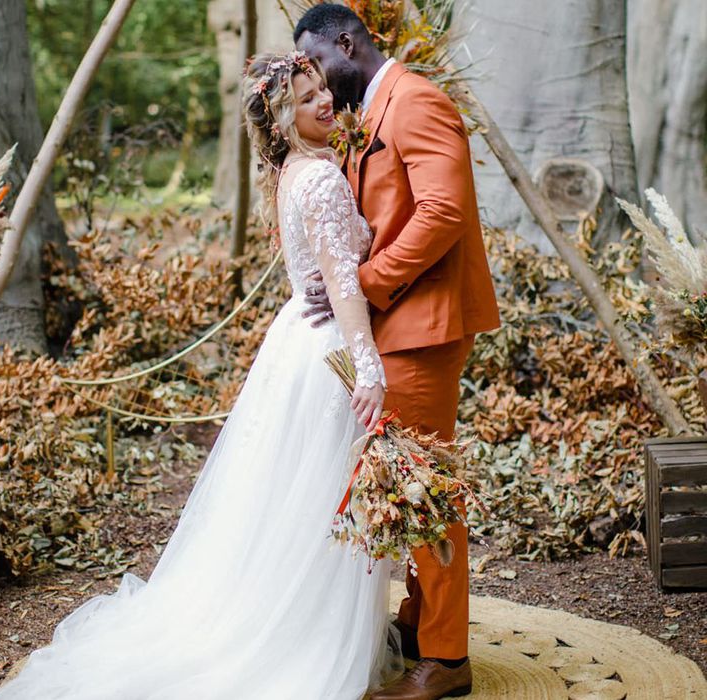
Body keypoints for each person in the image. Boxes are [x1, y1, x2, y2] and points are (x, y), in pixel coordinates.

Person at [0, 51, 402, 700]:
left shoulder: (298, 171)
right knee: (325, 503)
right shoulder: (320, 180)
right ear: (282, 119)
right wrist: (369, 368)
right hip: (331, 351)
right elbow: (343, 281)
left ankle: (287, 619)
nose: (323, 100)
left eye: (321, 87)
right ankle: (306, 642)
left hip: (298, 338)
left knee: (299, 502)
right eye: (304, 97)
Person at [294, 5, 501, 699]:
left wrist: (368, 284)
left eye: (319, 64)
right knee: (402, 483)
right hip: (400, 323)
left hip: (425, 324)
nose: (319, 85)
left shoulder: (417, 102)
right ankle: (419, 625)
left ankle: (445, 659)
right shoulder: (374, 107)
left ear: (346, 43)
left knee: (422, 491)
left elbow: (443, 212)